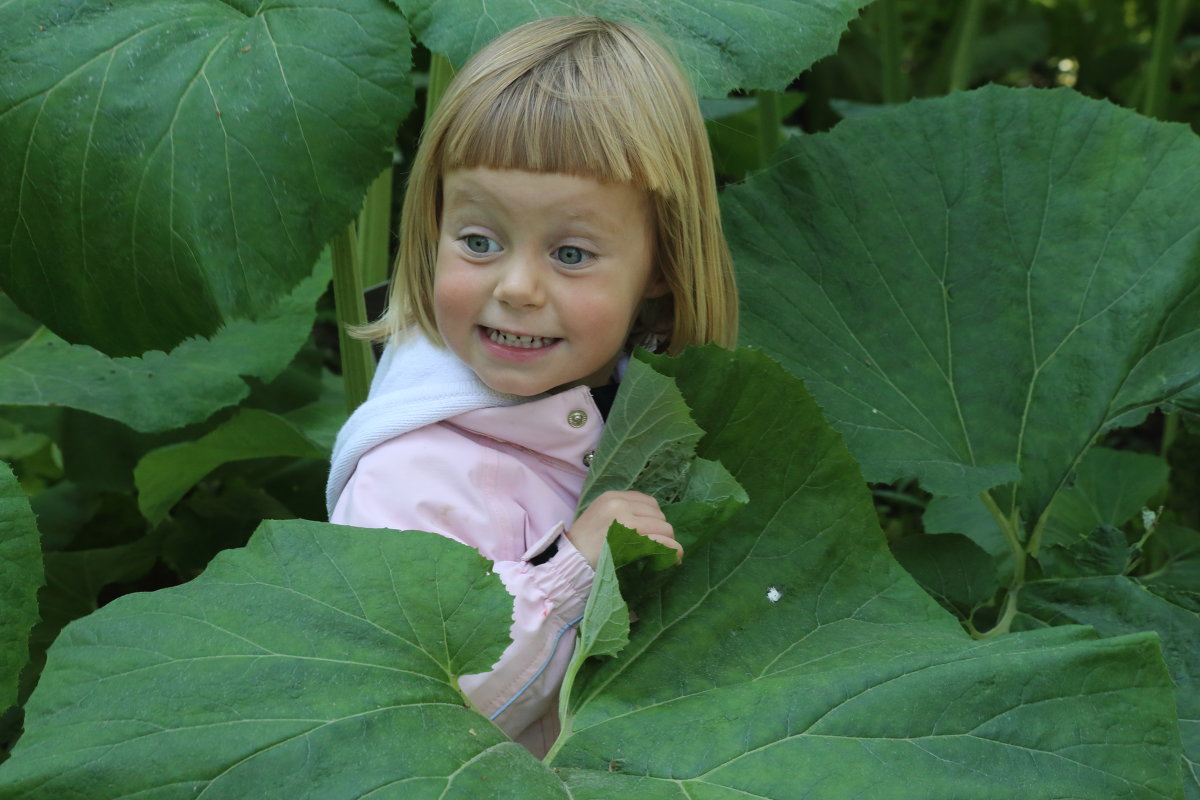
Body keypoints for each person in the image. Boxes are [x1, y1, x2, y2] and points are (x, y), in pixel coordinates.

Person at [325, 15, 738, 757]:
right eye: (479, 242)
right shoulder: (405, 475)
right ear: (432, 230)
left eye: (571, 253)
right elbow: (419, 721)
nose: (516, 288)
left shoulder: (648, 408)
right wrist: (568, 575)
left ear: (663, 265)